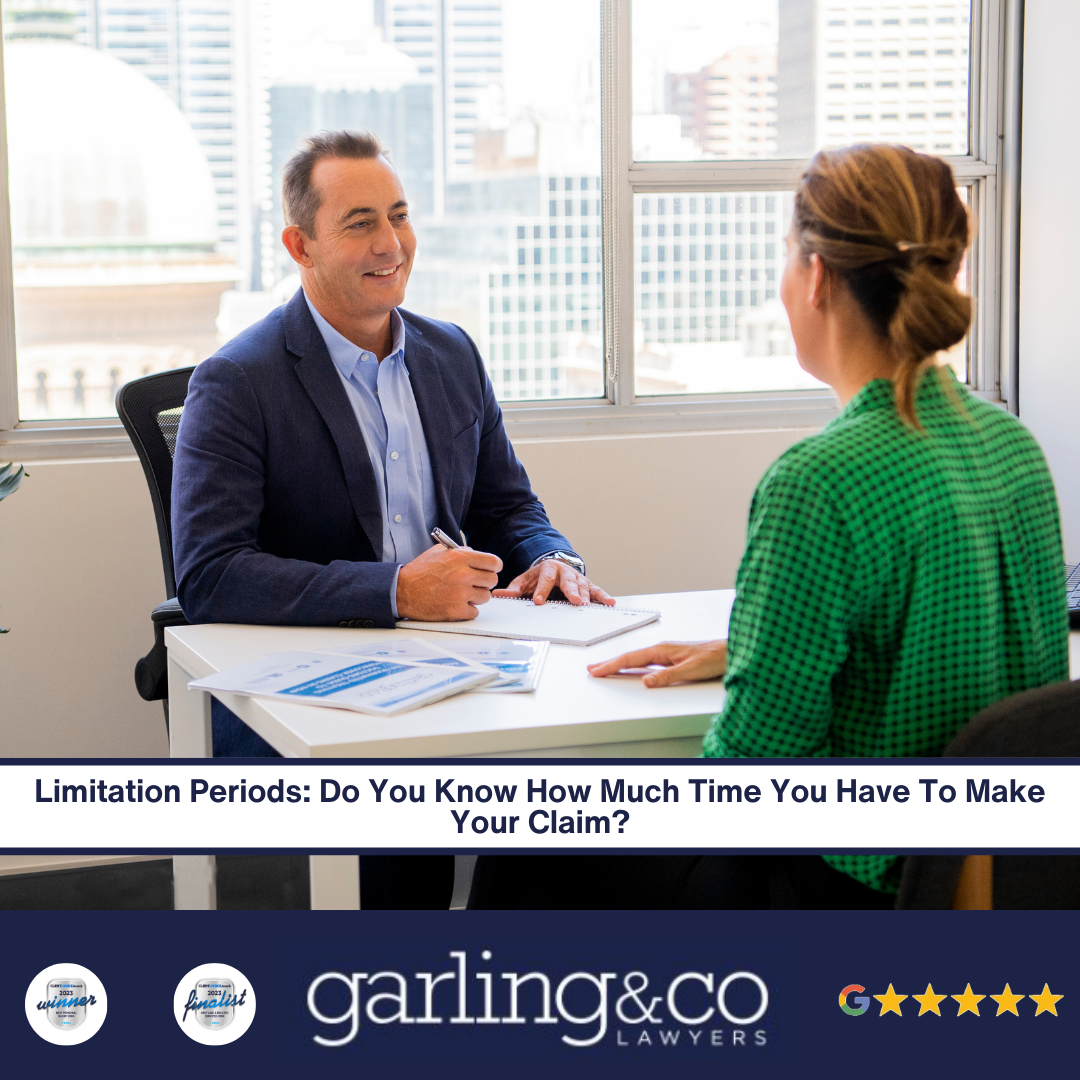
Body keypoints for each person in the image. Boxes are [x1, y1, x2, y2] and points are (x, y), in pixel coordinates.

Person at [470, 143, 1069, 909]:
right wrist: (757, 655)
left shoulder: (821, 481)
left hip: (842, 884)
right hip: (995, 880)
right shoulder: (1008, 442)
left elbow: (749, 775)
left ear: (815, 276)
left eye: (786, 255)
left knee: (527, 834)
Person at [171, 129, 613, 907]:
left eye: (399, 215)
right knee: (397, 825)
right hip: (308, 687)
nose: (390, 243)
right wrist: (395, 592)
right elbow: (209, 574)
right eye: (359, 222)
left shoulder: (453, 355)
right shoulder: (236, 381)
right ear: (299, 245)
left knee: (584, 792)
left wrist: (553, 559)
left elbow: (508, 506)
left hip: (460, 660)